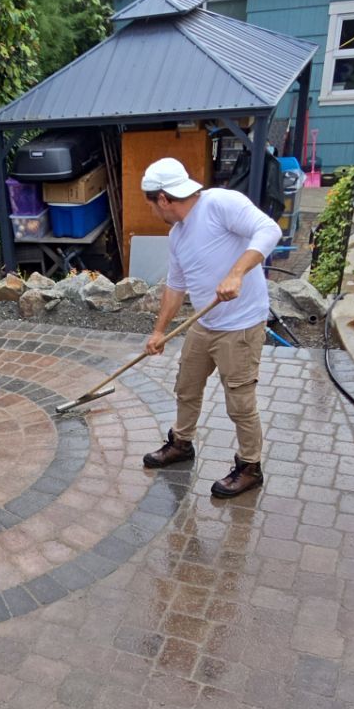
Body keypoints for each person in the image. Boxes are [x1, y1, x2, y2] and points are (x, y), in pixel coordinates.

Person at [136, 157, 281, 498]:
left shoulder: (219, 203)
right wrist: (159, 332)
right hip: (204, 323)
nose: (154, 212)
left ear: (163, 199)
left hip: (241, 325)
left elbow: (269, 230)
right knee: (186, 386)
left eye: (153, 205)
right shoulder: (177, 235)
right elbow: (175, 286)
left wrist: (236, 273)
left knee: (240, 402)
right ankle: (181, 443)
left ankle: (250, 467)